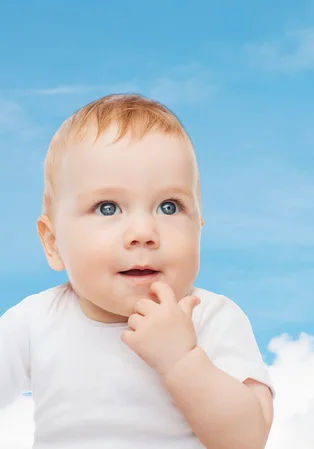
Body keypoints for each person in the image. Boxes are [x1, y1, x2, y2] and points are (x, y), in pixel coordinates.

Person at [0, 94, 274, 449]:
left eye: (169, 206)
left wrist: (180, 360)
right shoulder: (33, 323)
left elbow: (247, 440)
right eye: (108, 207)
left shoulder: (209, 318)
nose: (144, 233)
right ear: (53, 243)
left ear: (199, 227)